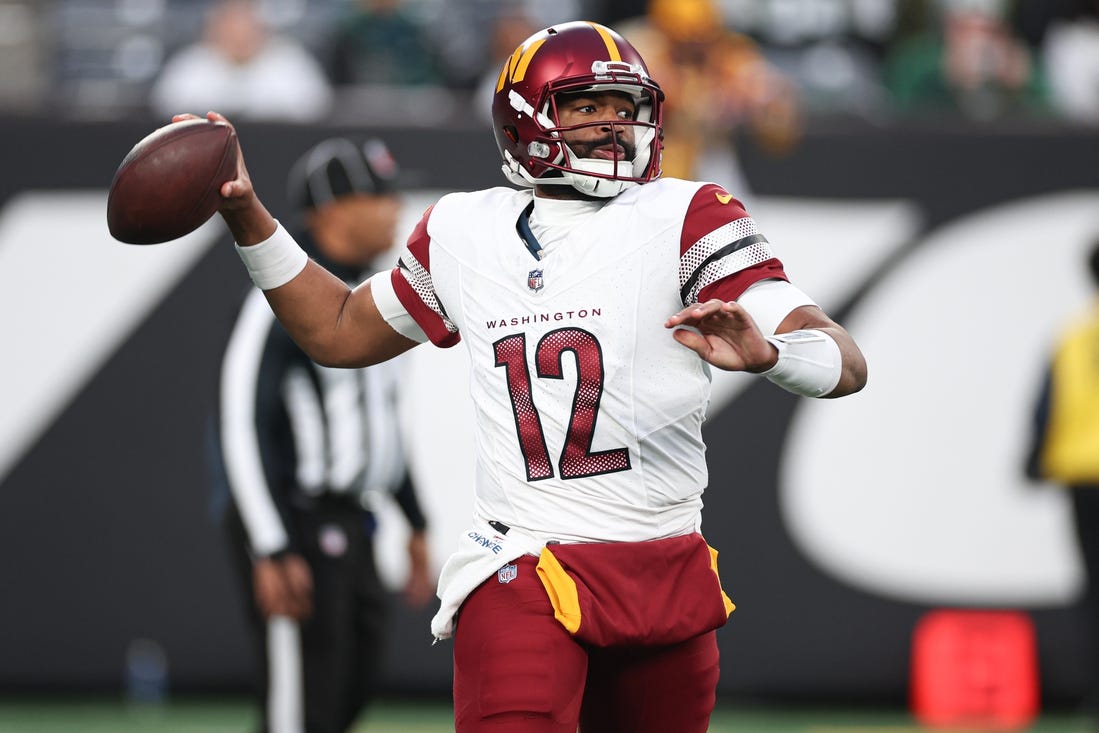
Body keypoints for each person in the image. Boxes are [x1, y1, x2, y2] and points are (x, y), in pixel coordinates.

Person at [183, 20, 867, 733]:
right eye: (586, 106)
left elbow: (842, 359)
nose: (613, 125)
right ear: (527, 118)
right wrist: (246, 216)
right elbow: (338, 328)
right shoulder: (462, 230)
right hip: (526, 557)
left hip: (662, 560)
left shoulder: (687, 214)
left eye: (624, 106)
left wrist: (774, 355)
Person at [214, 136, 434, 733]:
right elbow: (241, 419)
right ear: (331, 210)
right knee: (301, 710)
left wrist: (414, 520)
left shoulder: (377, 294)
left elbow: (380, 425)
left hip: (354, 520)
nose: (394, 207)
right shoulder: (284, 301)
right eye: (377, 193)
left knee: (347, 693)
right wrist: (272, 544)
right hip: (298, 520)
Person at [1024, 238, 1099, 720]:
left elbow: (1045, 406)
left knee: (1094, 588)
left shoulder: (1075, 333)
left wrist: (1032, 462)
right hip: (1083, 475)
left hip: (1083, 476)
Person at [150, 0, 333, 122]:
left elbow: (315, 107)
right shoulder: (190, 66)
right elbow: (166, 107)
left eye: (246, 22)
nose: (239, 33)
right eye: (232, 23)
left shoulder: (290, 63)